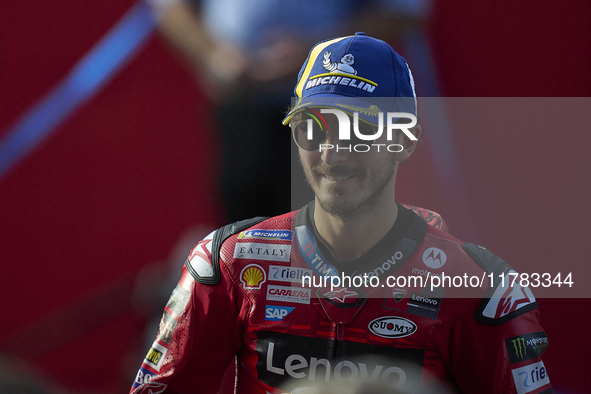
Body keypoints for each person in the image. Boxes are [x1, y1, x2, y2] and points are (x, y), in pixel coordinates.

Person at [130, 34, 551, 393]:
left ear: (405, 142)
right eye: (313, 127)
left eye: (362, 128)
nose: (333, 150)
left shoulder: (481, 289)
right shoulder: (230, 262)